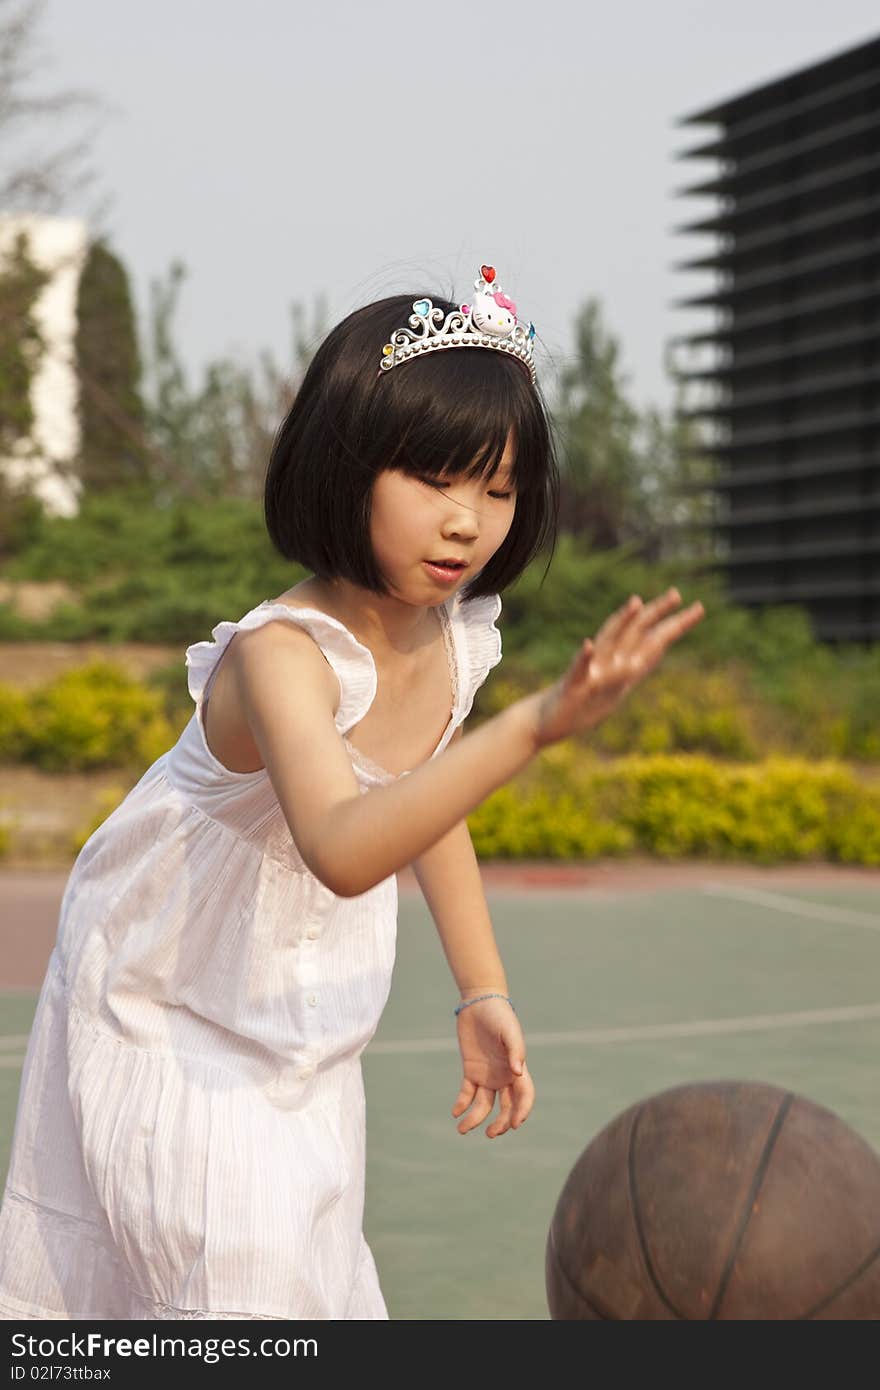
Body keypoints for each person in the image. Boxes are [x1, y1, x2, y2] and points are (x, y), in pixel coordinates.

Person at [0, 265, 704, 1321]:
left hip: (304, 1025)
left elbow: (428, 805)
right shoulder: (284, 655)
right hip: (170, 1008)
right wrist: (539, 725)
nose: (467, 521)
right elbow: (339, 843)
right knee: (236, 1291)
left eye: (499, 489)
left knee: (310, 1285)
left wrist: (483, 989)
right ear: (344, 467)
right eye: (434, 479)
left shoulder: (455, 637)